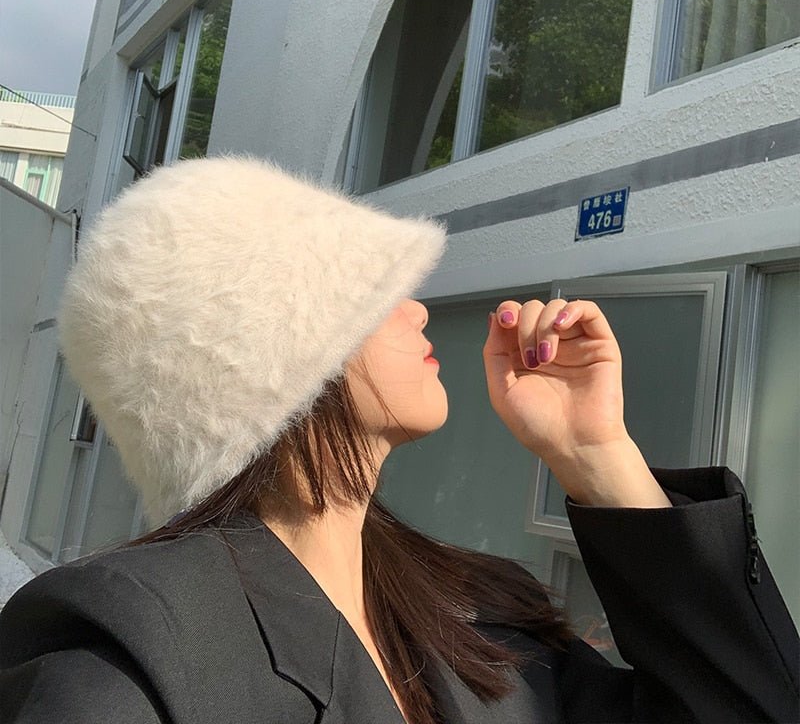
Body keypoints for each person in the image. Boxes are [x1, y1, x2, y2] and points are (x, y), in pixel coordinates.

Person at [0, 156, 797, 724]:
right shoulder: (129, 661)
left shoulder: (472, 614)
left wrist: (595, 455)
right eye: (374, 292)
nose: (417, 310)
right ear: (273, 351)